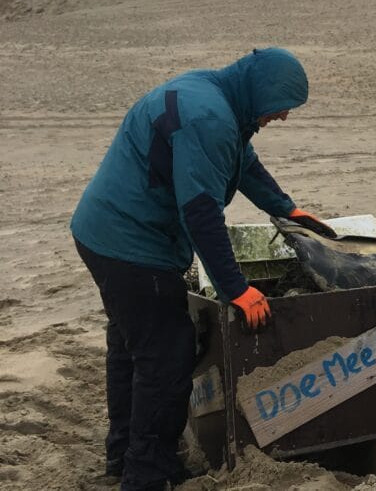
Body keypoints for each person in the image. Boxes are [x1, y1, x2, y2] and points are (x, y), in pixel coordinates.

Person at [70, 47, 335, 490]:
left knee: (130, 345)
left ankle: (123, 454)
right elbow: (200, 211)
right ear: (261, 91)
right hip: (131, 244)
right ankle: (149, 473)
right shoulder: (209, 117)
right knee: (166, 355)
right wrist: (236, 289)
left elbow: (241, 163)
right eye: (282, 107)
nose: (283, 117)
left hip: (101, 231)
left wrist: (287, 209)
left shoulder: (215, 95)